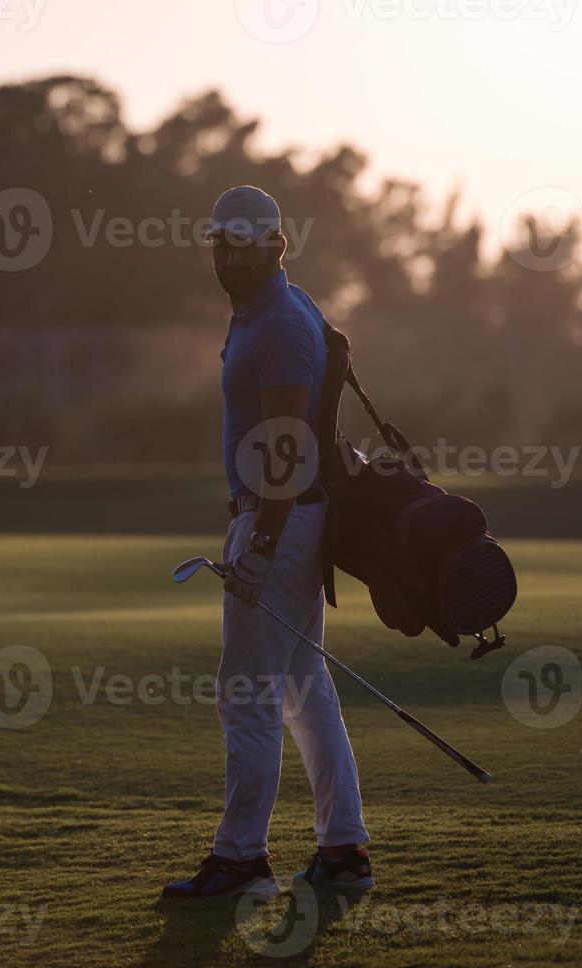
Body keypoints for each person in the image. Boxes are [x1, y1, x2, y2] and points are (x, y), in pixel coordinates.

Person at [161, 186, 372, 899]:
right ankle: (343, 853)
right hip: (286, 517)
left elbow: (286, 446)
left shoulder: (279, 321)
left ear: (275, 246)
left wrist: (259, 545)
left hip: (276, 517)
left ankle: (241, 858)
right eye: (219, 243)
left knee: (247, 695)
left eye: (244, 245)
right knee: (304, 689)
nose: (228, 257)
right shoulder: (274, 309)